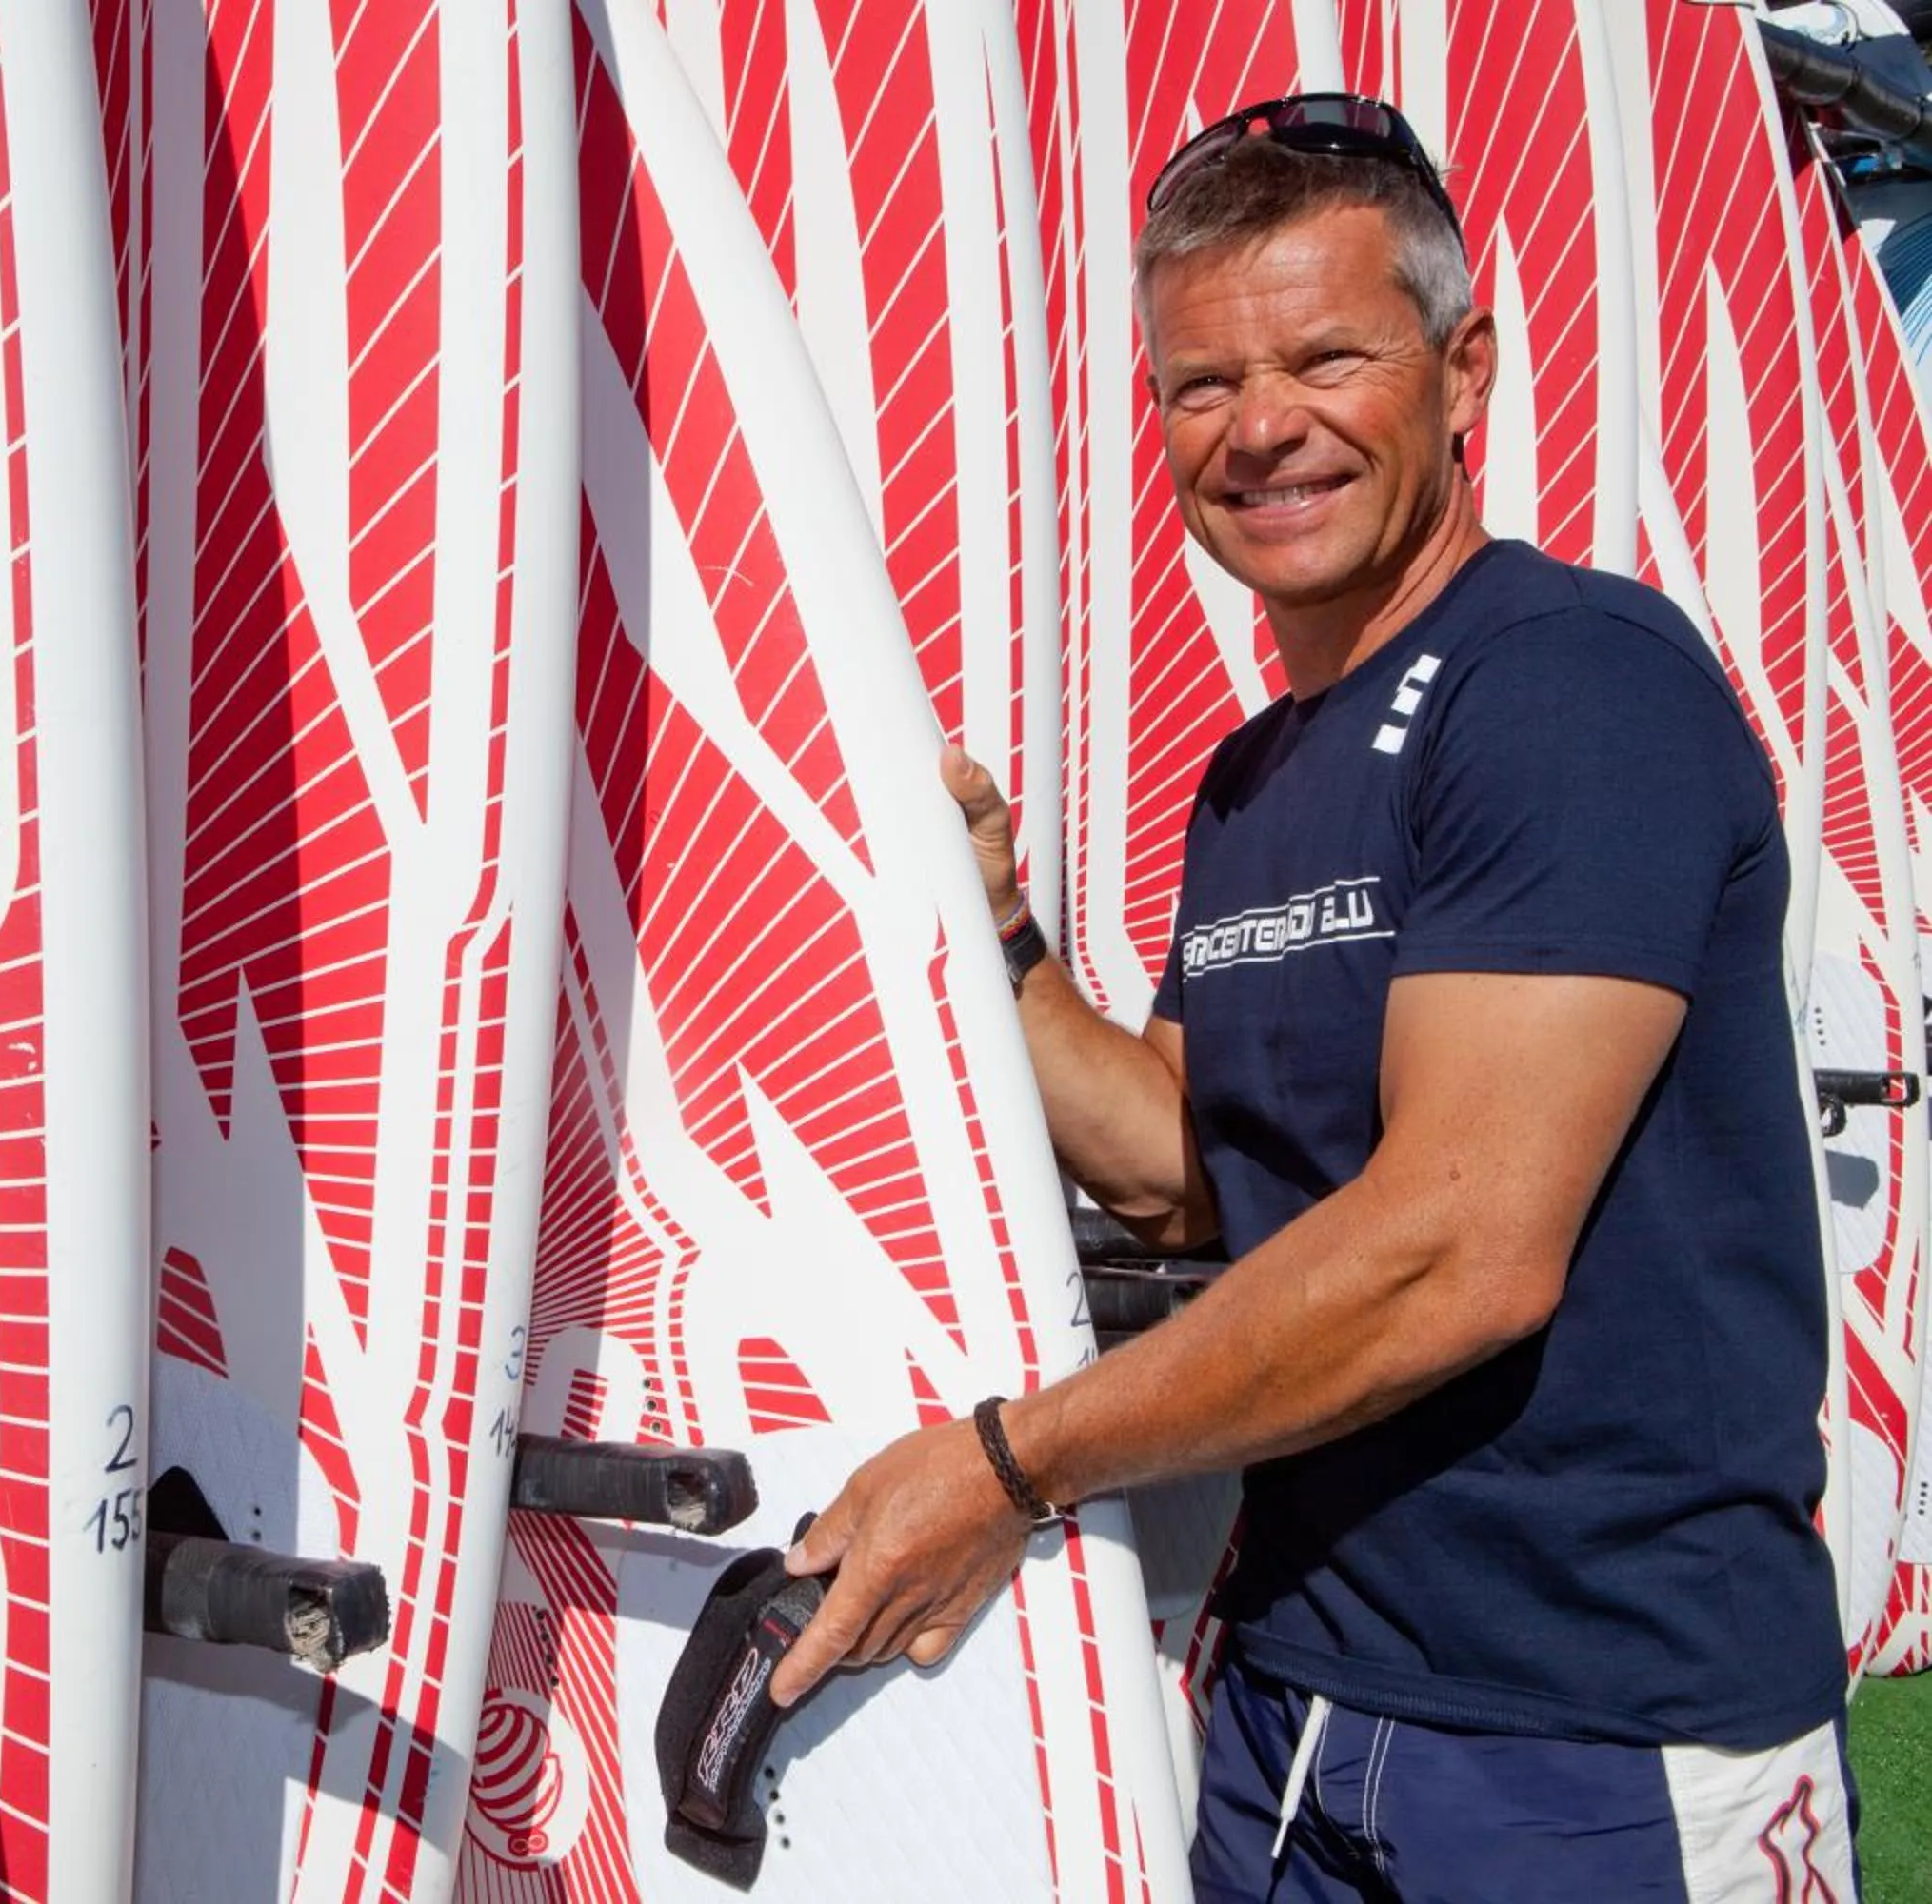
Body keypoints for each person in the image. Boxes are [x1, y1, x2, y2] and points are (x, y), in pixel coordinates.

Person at [766, 95, 1859, 1899]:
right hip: (1303, 1687)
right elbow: (1196, 1167)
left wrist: (1010, 1468)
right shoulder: (1263, 774)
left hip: (1593, 1719)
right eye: (1202, 384)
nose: (1261, 426)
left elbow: (1461, 1250)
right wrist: (1002, 943)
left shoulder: (1569, 685)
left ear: (1463, 368)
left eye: (1326, 357)